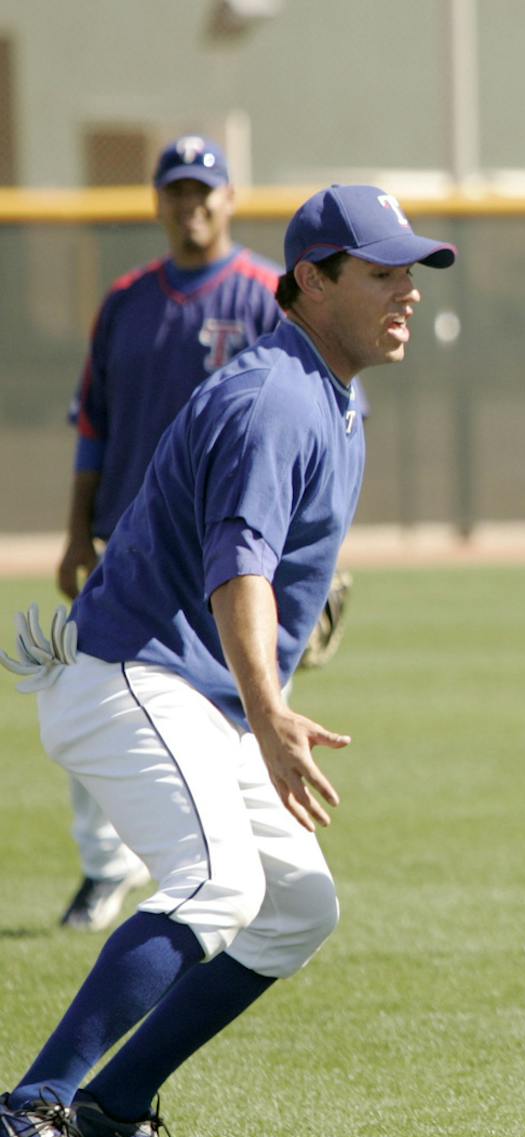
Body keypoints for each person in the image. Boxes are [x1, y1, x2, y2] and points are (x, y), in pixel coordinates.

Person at [0, 185, 453, 1137]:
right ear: (311, 281)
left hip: (193, 692)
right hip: (135, 674)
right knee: (216, 883)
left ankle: (113, 1111)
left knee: (296, 908)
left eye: (412, 273)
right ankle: (31, 1106)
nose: (407, 294)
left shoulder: (333, 392)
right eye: (381, 272)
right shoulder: (275, 398)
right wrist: (274, 711)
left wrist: (262, 698)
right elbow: (237, 572)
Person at [51, 136, 283, 933]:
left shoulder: (263, 296)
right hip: (130, 544)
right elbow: (95, 425)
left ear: (230, 199)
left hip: (226, 548)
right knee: (103, 694)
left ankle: (235, 868)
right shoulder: (125, 300)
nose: (193, 207)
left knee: (230, 710)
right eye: (178, 193)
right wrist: (76, 532)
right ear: (157, 203)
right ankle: (102, 869)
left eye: (205, 192)